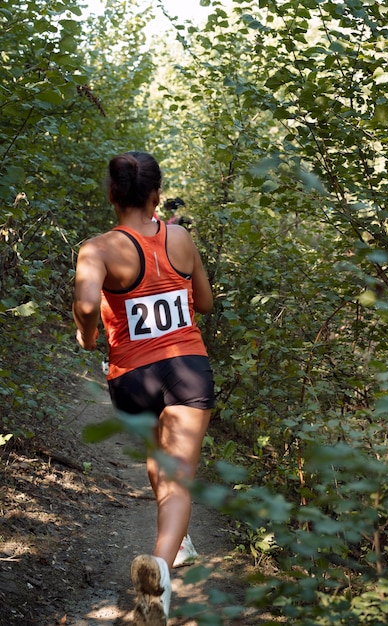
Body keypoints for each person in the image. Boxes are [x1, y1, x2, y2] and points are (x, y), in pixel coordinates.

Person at [72, 151, 214, 625]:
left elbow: (88, 304)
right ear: (156, 192)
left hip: (131, 377)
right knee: (178, 481)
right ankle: (160, 569)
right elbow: (206, 302)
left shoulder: (97, 249)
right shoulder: (179, 237)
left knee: (160, 453)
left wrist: (88, 336)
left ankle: (181, 542)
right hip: (187, 367)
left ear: (112, 194)